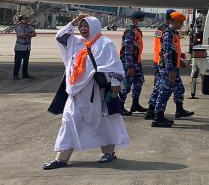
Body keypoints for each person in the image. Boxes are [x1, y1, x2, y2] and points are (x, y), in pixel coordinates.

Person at [44, 15, 129, 170]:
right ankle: (61, 158)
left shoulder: (104, 43)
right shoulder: (77, 42)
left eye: (86, 26)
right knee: (68, 122)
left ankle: (109, 152)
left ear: (95, 26)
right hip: (75, 92)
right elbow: (60, 37)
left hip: (95, 92)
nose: (82, 29)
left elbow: (114, 66)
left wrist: (116, 85)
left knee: (103, 123)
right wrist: (73, 21)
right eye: (81, 26)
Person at [152, 12, 193, 128]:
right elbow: (166, 54)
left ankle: (178, 110)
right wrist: (170, 71)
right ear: (175, 22)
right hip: (167, 69)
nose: (182, 25)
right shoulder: (168, 34)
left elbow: (174, 52)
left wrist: (180, 61)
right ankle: (157, 118)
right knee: (164, 93)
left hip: (173, 68)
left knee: (179, 88)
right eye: (181, 23)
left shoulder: (174, 33)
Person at [145, 9, 175, 121]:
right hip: (163, 62)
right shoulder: (167, 31)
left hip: (158, 59)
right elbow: (166, 49)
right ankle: (156, 114)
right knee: (162, 88)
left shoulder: (160, 29)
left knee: (158, 87)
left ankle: (150, 111)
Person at [119, 11, 147, 116]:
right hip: (128, 63)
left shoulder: (137, 31)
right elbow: (127, 50)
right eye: (141, 20)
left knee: (139, 82)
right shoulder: (130, 32)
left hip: (137, 62)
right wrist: (129, 66)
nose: (143, 21)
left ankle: (135, 104)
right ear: (134, 20)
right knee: (126, 85)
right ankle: (120, 105)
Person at [13, 15, 36, 80]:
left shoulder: (30, 27)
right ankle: (15, 74)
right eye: (26, 18)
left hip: (27, 48)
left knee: (26, 62)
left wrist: (27, 35)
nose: (28, 19)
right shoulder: (19, 27)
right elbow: (22, 36)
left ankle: (25, 74)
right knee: (18, 62)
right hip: (20, 48)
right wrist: (29, 35)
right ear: (22, 20)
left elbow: (34, 34)